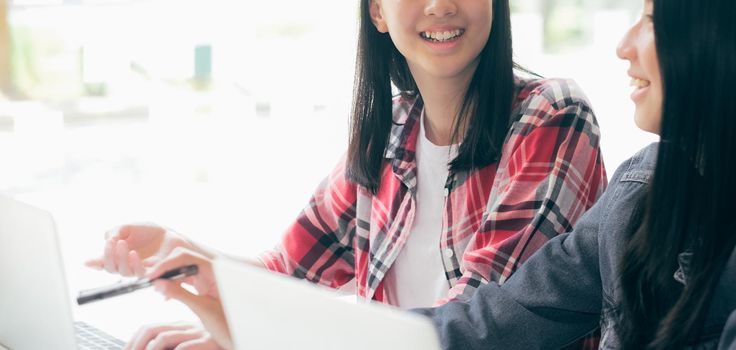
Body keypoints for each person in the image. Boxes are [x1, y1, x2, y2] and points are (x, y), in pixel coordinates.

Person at [87, 0, 606, 348]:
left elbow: (477, 325)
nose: (441, 5)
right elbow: (289, 270)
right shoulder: (392, 131)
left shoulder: (551, 113)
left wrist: (250, 333)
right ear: (377, 11)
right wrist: (190, 257)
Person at [409, 0, 736, 348]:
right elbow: (502, 318)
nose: (623, 47)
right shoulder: (639, 193)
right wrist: (372, 331)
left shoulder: (552, 111)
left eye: (651, 21)